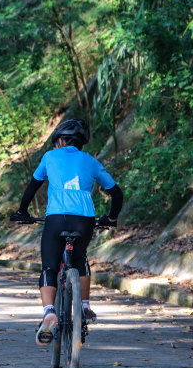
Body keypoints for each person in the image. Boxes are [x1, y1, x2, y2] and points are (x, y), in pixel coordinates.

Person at [10, 118, 123, 346]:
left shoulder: (50, 157)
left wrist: (23, 211)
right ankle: (84, 306)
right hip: (85, 220)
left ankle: (49, 311)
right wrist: (110, 218)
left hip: (56, 219)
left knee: (50, 267)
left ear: (60, 141)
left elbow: (33, 187)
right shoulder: (90, 161)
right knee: (80, 258)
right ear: (81, 143)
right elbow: (117, 194)